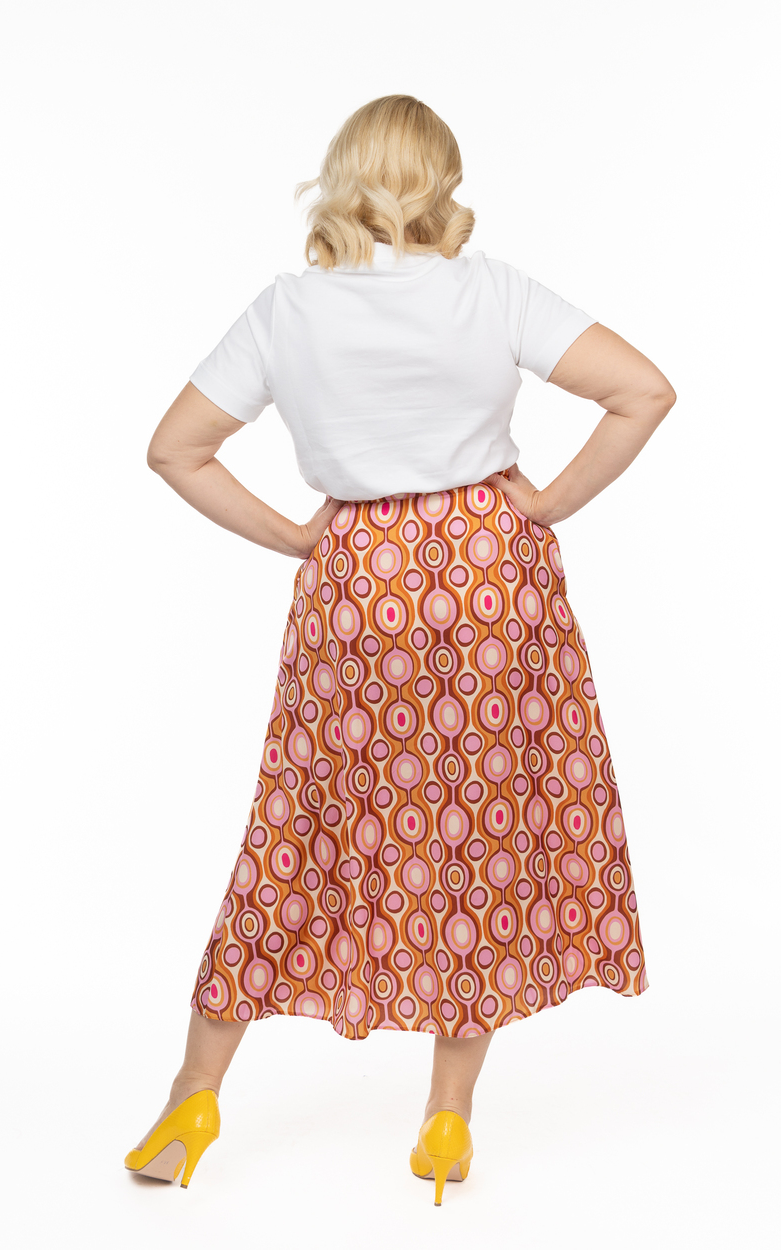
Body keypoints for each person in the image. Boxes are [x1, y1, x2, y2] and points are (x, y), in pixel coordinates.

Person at [124, 94, 675, 1204]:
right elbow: (643, 391)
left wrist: (297, 536)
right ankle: (446, 1119)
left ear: (342, 177)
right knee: (480, 835)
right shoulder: (492, 290)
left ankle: (193, 1095)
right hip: (490, 579)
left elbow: (175, 448)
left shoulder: (288, 310)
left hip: (357, 587)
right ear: (443, 180)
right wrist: (546, 502)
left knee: (296, 828)